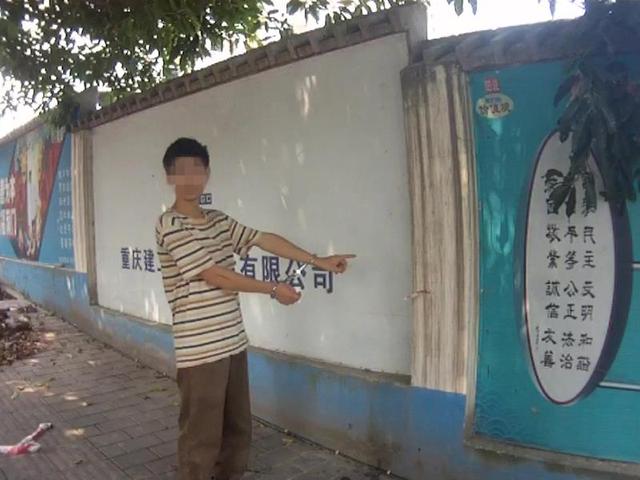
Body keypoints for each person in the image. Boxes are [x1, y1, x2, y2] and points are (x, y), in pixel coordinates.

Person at [155, 138, 355, 480]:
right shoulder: (170, 224)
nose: (190, 180)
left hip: (232, 342)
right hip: (200, 351)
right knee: (201, 438)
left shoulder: (218, 221)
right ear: (169, 177)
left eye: (197, 170)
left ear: (207, 174)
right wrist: (273, 289)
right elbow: (215, 275)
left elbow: (263, 239)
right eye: (181, 172)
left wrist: (318, 260)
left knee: (237, 431)